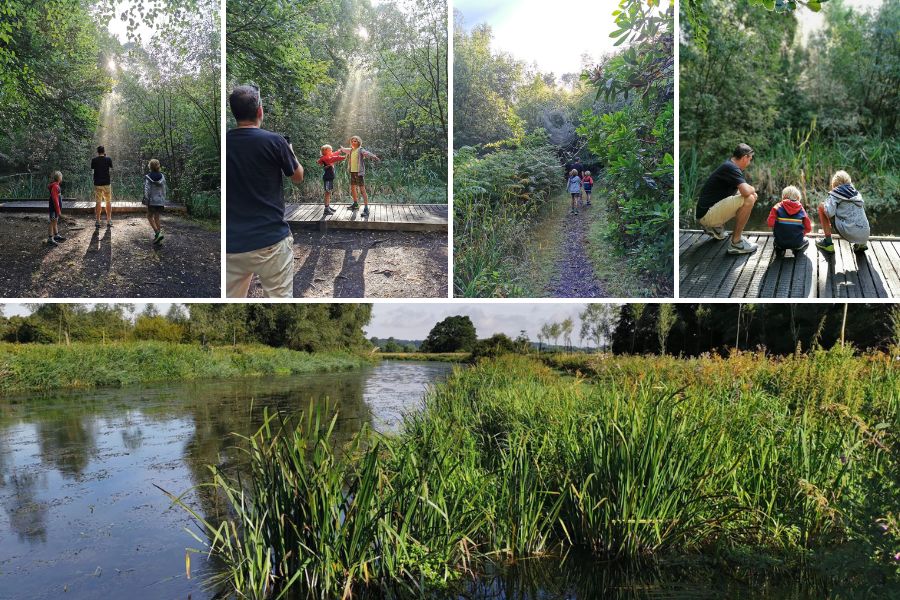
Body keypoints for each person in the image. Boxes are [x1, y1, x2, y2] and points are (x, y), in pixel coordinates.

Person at [225, 84, 304, 298]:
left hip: (231, 245)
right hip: (271, 242)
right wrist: (291, 152)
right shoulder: (275, 141)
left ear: (234, 113)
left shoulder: (225, 143)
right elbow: (297, 177)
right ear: (260, 111)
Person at [695, 143, 759, 254]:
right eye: (750, 159)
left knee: (749, 196)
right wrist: (753, 188)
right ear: (744, 158)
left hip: (704, 212)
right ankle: (736, 243)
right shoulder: (731, 168)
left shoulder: (729, 165)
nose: (749, 163)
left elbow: (738, 191)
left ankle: (716, 228)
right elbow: (745, 191)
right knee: (750, 198)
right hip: (707, 215)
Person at [816, 170, 870, 253]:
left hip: (849, 232)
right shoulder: (856, 194)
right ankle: (861, 244)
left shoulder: (836, 193)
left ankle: (828, 243)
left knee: (821, 206)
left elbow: (829, 213)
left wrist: (827, 204)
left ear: (834, 184)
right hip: (865, 234)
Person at [339, 136, 379, 217]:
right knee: (353, 188)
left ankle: (366, 209)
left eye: (355, 141)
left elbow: (366, 153)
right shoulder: (351, 150)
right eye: (352, 141)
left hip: (359, 173)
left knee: (362, 190)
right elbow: (344, 149)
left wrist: (374, 156)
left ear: (359, 142)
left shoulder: (360, 150)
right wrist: (341, 148)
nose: (353, 142)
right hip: (352, 172)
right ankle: (355, 204)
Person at [767, 185, 811, 258]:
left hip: (780, 242)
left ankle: (780, 249)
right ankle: (797, 249)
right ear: (797, 198)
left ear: (783, 197)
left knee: (777, 240)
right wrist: (802, 233)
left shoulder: (777, 207)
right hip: (797, 242)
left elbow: (770, 223)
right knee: (806, 241)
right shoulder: (801, 209)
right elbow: (808, 228)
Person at [316, 144, 347, 216]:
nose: (332, 151)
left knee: (329, 193)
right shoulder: (327, 158)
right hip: (327, 177)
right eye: (330, 150)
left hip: (329, 177)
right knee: (327, 192)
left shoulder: (325, 156)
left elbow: (333, 154)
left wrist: (339, 151)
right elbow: (335, 158)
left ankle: (328, 206)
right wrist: (345, 157)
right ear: (326, 151)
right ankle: (326, 209)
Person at [143, 159, 167, 244]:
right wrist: (163, 200)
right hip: (160, 201)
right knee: (157, 217)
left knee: (149, 216)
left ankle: (157, 233)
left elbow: (147, 190)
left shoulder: (148, 177)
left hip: (152, 201)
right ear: (158, 166)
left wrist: (146, 200)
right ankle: (158, 237)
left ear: (150, 166)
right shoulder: (162, 176)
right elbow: (164, 189)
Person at [91, 146, 114, 229]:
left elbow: (93, 169)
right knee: (108, 201)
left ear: (97, 152)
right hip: (107, 183)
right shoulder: (108, 159)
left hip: (97, 183)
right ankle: (109, 220)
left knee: (98, 202)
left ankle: (97, 221)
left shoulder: (94, 160)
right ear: (104, 151)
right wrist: (105, 156)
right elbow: (111, 167)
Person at [47, 171, 65, 246]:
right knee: (52, 221)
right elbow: (55, 199)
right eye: (61, 176)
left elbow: (57, 197)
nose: (62, 178)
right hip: (54, 208)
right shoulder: (55, 186)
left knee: (55, 221)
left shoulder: (56, 185)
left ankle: (56, 235)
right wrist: (58, 211)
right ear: (59, 178)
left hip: (56, 209)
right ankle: (50, 238)